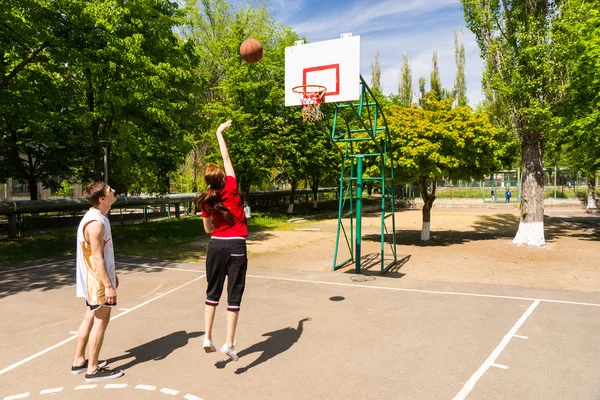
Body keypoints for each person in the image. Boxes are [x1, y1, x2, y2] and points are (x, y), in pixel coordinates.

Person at [196, 119, 248, 361]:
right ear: (223, 179)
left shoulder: (205, 200)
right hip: (236, 245)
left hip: (216, 245)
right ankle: (228, 343)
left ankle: (207, 337)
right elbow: (227, 160)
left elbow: (207, 230)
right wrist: (219, 133)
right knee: (234, 296)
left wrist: (210, 218)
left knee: (212, 292)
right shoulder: (232, 187)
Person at [71, 181, 124, 382]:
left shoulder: (98, 217)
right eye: (110, 190)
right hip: (96, 281)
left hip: (95, 278)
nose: (114, 191)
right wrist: (108, 285)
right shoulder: (96, 224)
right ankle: (92, 369)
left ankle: (79, 361)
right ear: (102, 199)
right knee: (101, 320)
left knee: (90, 317)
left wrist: (112, 274)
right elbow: (97, 258)